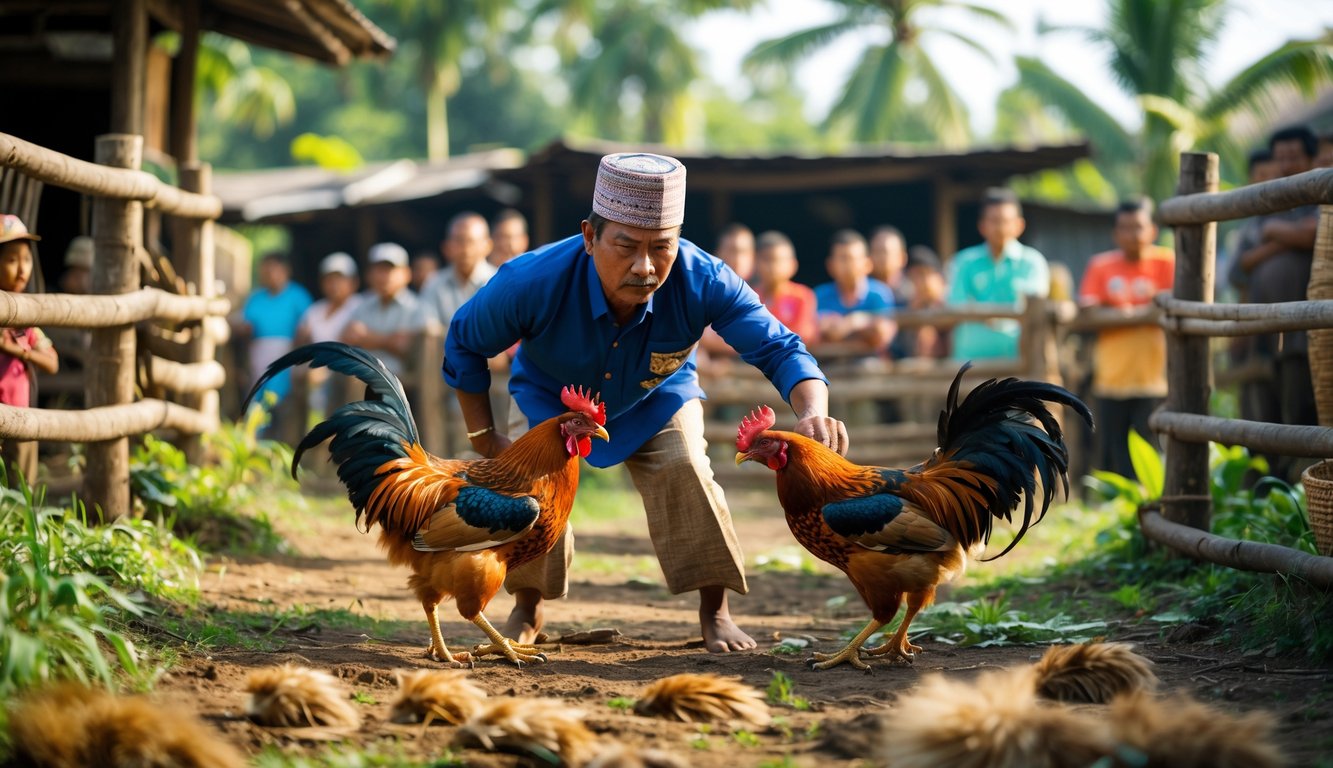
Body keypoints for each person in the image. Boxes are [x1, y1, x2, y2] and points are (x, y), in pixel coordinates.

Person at [443, 152, 848, 653]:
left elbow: (780, 346)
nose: (645, 265)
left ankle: (715, 611)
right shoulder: (531, 281)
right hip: (552, 397)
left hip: (659, 394)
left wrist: (811, 409)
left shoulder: (706, 278)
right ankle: (527, 604)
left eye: (662, 248)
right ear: (590, 237)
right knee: (533, 489)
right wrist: (484, 436)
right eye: (626, 246)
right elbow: (463, 343)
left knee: (686, 469)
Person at [1228, 126, 1321, 477]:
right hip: (1266, 337)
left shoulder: (1320, 199)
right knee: (1265, 414)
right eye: (1281, 158)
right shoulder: (1265, 208)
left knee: (1302, 413)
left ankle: (1304, 486)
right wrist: (1286, 238)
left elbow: (1312, 234)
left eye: (1293, 157)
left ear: (1311, 159)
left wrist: (1273, 237)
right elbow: (1241, 267)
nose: (1286, 165)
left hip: (1306, 332)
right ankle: (1272, 487)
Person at [1077, 198, 1175, 477]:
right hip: (1111, 376)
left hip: (1154, 376)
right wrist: (1143, 314)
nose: (1133, 234)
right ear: (1115, 233)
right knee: (1113, 447)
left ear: (1152, 230)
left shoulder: (1166, 261)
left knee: (1150, 446)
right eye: (1125, 228)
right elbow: (1087, 311)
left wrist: (1116, 312)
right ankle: (1116, 506)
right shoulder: (1100, 265)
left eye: (1139, 227)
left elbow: (1174, 303)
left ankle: (1149, 502)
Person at [947, 188, 1050, 361]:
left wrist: (980, 311)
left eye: (1006, 221)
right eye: (994, 221)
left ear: (1019, 225)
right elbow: (955, 304)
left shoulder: (1033, 262)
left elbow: (1034, 307)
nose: (1000, 228)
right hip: (970, 363)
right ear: (982, 226)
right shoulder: (963, 262)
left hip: (1020, 361)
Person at [0, 215, 59, 486]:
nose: (22, 269)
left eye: (26, 259)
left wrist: (17, 351)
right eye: (12, 260)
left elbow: (51, 362)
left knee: (21, 487)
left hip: (22, 417)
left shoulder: (27, 318)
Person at [238, 252, 312, 405]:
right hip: (258, 354)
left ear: (286, 270)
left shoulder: (298, 295)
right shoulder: (255, 298)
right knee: (258, 395)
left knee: (282, 399)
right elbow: (245, 327)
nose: (270, 274)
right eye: (266, 270)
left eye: (273, 269)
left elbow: (308, 328)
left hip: (289, 353)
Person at [296, 252, 363, 415]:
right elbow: (302, 342)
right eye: (329, 279)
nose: (334, 284)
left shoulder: (360, 307)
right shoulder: (315, 311)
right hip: (316, 371)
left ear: (354, 282)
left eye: (340, 279)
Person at [342, 243, 420, 378]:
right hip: (363, 379)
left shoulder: (417, 307)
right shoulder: (362, 305)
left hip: (402, 383)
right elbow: (349, 338)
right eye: (379, 269)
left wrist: (367, 337)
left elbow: (405, 347)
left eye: (390, 269)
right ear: (369, 274)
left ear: (406, 274)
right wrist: (389, 340)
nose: (384, 276)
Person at [814, 229, 896, 355]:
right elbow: (810, 335)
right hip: (826, 366)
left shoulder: (880, 294)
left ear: (867, 264)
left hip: (871, 366)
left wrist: (853, 322)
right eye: (842, 259)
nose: (848, 265)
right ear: (830, 265)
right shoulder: (819, 295)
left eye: (853, 259)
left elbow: (883, 336)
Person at [418, 212, 496, 332]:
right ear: (446, 247)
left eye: (471, 241)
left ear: (488, 245)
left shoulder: (498, 280)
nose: (466, 249)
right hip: (444, 350)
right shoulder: (434, 283)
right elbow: (429, 328)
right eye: (459, 241)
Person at [752, 231, 817, 345]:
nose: (773, 266)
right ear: (755, 262)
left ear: (793, 265)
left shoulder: (802, 296)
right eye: (767, 260)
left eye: (779, 260)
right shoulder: (749, 296)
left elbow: (803, 334)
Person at [902, 246, 948, 359]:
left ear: (939, 277)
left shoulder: (952, 299)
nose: (919, 282)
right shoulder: (908, 303)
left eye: (923, 274)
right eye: (913, 276)